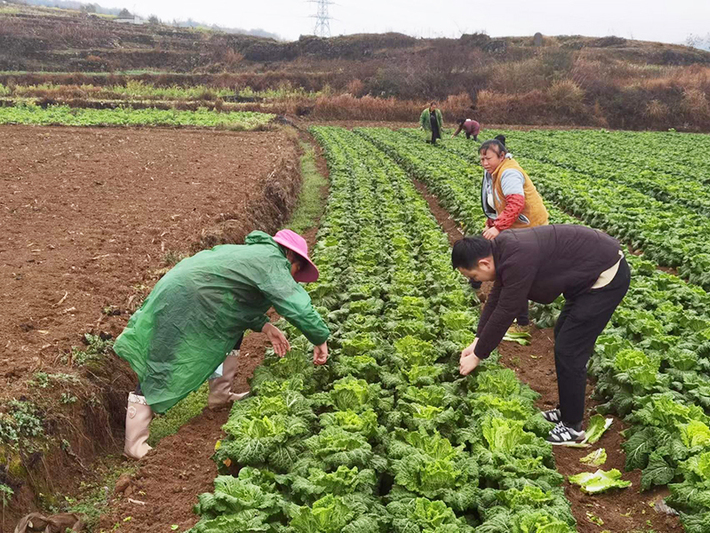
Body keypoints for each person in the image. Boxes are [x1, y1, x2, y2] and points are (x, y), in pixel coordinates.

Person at [114, 229, 330, 459]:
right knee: (165, 358)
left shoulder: (257, 255)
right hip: (186, 297)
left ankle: (220, 395)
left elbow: (237, 301)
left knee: (231, 330)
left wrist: (266, 327)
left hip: (189, 290)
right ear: (290, 257)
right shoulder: (272, 261)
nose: (294, 277)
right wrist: (320, 337)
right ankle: (134, 445)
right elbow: (296, 305)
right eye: (297, 270)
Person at [451, 225, 630, 445]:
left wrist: (478, 355)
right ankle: (566, 411)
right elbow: (497, 297)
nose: (478, 280)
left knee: (570, 349)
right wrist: (477, 340)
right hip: (586, 277)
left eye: (474, 275)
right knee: (563, 335)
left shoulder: (516, 256)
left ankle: (573, 428)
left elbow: (507, 309)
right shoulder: (502, 249)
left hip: (605, 276)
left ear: (484, 263)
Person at [476, 137, 548, 328]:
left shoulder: (509, 172)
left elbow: (516, 203)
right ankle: (477, 287)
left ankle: (522, 322)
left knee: (517, 273)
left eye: (488, 158)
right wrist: (492, 222)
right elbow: (500, 203)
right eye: (481, 159)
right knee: (512, 271)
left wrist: (498, 227)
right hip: (519, 228)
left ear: (501, 156)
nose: (484, 163)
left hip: (530, 229)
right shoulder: (496, 171)